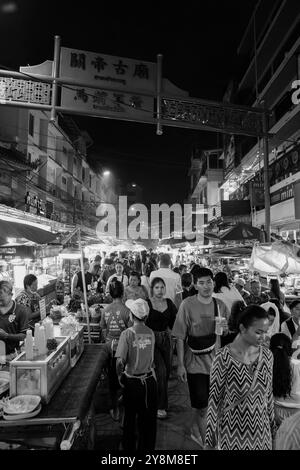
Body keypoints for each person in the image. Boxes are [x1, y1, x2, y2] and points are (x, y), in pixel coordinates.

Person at [205, 304, 276, 450]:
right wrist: (209, 440)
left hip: (261, 434)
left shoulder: (267, 356)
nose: (264, 337)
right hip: (231, 434)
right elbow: (214, 401)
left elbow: (268, 396)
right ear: (243, 329)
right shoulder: (223, 357)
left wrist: (273, 433)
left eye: (266, 332)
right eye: (258, 332)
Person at [172, 267, 229, 446]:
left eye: (209, 282)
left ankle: (197, 429)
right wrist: (180, 364)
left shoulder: (220, 306)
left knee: (213, 406)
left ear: (214, 283)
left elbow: (222, 335)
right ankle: (208, 444)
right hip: (194, 364)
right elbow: (180, 336)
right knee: (203, 407)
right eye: (202, 283)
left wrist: (225, 329)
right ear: (195, 285)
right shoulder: (186, 305)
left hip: (216, 364)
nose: (206, 286)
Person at [115, 298, 157, 452]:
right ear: (146, 317)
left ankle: (129, 449)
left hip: (132, 383)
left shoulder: (127, 334)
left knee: (130, 420)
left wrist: (120, 377)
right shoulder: (151, 333)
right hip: (150, 382)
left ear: (131, 316)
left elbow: (120, 362)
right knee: (148, 423)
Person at [146, 277, 177, 419]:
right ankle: (161, 406)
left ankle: (157, 398)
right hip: (152, 341)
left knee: (167, 371)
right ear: (152, 289)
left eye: (162, 287)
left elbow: (174, 323)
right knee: (161, 372)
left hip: (166, 340)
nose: (160, 290)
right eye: (157, 287)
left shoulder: (169, 303)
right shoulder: (147, 304)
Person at [100, 280, 131, 421]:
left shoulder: (105, 310)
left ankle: (114, 408)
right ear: (123, 293)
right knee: (125, 377)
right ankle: (125, 403)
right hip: (123, 349)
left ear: (110, 294)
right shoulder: (127, 311)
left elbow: (103, 330)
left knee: (112, 379)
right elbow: (131, 332)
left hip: (109, 348)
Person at [270, 333, 300, 425]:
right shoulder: (297, 364)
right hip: (297, 409)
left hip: (276, 409)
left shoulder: (267, 364)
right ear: (289, 347)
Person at [0, 280, 29, 355]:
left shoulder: (20, 310)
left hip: (13, 355)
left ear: (11, 295)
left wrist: (7, 336)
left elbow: (24, 335)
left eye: (2, 300)